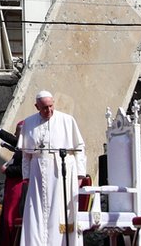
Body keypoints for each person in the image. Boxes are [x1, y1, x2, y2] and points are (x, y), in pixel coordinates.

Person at [16, 90, 86, 246]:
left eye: (51, 106)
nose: (48, 111)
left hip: (61, 172)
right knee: (37, 212)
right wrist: (26, 176)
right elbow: (26, 155)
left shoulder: (67, 120)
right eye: (44, 108)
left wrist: (80, 175)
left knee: (59, 210)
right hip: (37, 173)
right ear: (37, 107)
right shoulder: (28, 122)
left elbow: (79, 147)